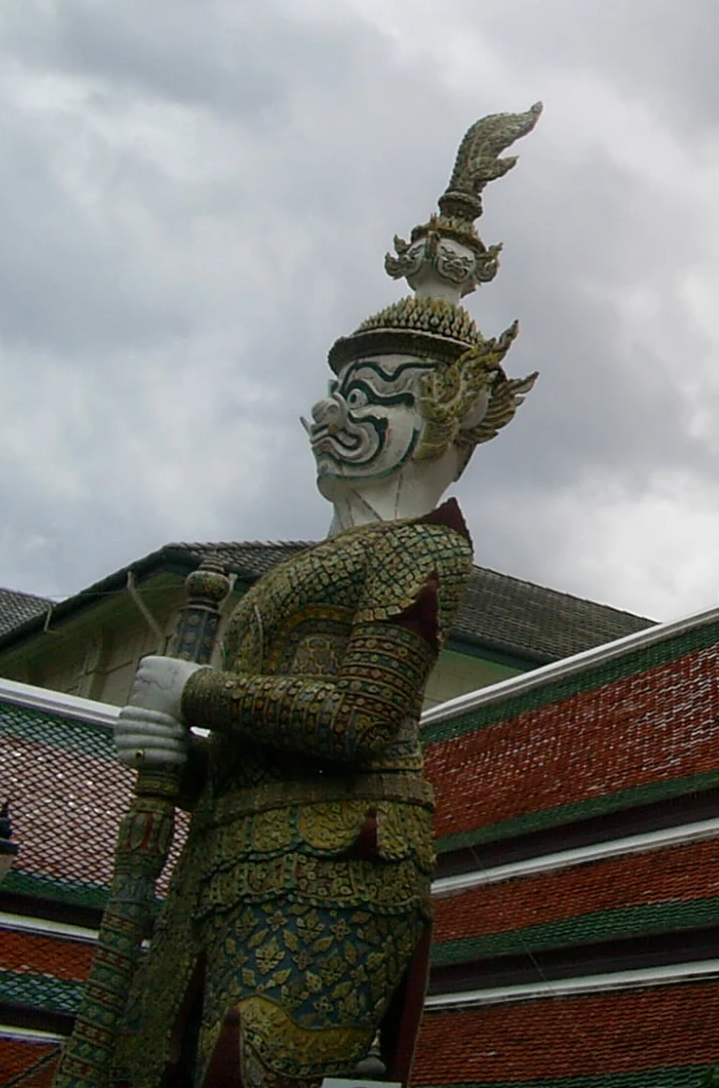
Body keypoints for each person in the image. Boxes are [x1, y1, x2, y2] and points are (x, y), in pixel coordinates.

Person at [111, 109, 539, 1088]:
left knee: (249, 1065)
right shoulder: (298, 572)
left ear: (452, 412)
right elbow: (261, 722)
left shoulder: (423, 554)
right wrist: (182, 761)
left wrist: (193, 695)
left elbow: (358, 718)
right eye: (341, 391)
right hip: (229, 853)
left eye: (379, 393)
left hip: (338, 856)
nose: (335, 416)